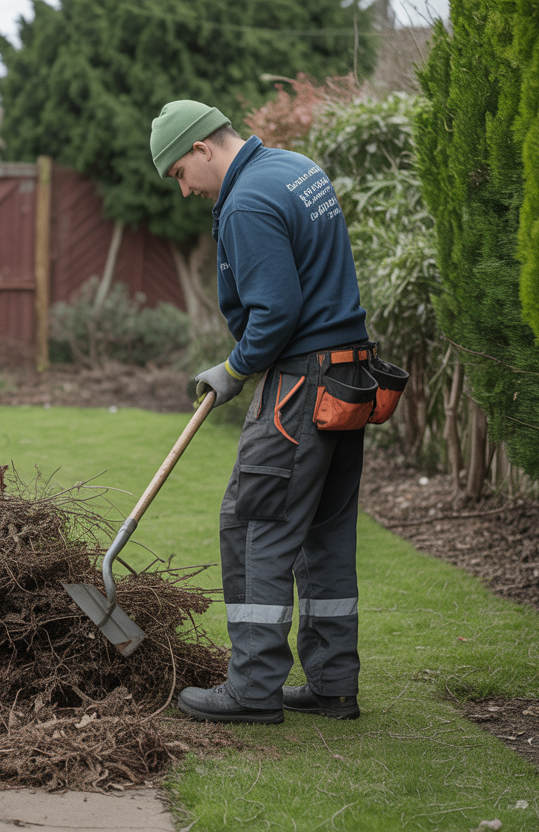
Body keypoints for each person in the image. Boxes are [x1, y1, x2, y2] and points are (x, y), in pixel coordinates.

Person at [151, 100, 374, 724]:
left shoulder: (247, 201)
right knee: (324, 532)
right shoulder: (295, 167)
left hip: (301, 384)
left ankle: (252, 689)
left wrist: (234, 369)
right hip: (347, 374)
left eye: (178, 174)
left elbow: (275, 312)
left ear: (201, 148)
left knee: (255, 523)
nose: (184, 191)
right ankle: (334, 683)